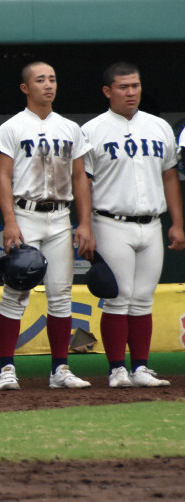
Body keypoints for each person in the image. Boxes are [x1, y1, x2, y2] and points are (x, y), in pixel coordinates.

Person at [0, 61, 95, 390]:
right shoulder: (12, 127)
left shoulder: (70, 128)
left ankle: (59, 370)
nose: (48, 85)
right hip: (25, 214)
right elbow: (3, 177)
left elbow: (80, 178)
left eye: (52, 79)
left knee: (60, 296)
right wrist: (9, 222)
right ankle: (7, 368)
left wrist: (85, 224)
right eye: (40, 80)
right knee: (15, 293)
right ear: (25, 87)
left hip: (60, 216)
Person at [82, 62, 184, 388]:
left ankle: (140, 367)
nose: (131, 92)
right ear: (107, 91)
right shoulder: (92, 130)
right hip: (111, 221)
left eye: (135, 86)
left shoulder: (158, 127)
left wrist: (177, 222)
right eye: (124, 87)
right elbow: (82, 182)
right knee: (118, 297)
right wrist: (84, 224)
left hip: (152, 222)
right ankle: (116, 370)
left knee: (142, 298)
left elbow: (169, 176)